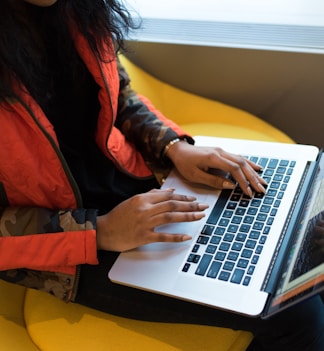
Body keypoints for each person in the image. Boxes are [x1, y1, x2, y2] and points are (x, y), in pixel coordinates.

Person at [0, 1, 322, 350]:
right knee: (296, 313)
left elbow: (117, 93)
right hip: (66, 246)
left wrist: (173, 147)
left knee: (306, 236)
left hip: (133, 183)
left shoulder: (79, 9)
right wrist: (98, 231)